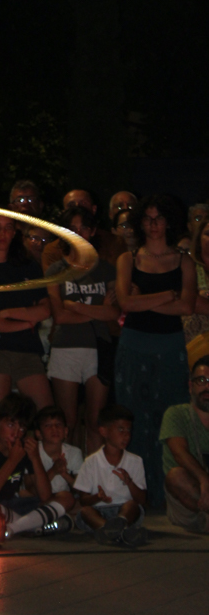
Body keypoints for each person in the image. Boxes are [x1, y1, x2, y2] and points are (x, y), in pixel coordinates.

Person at [114, 194, 196, 507]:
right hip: (134, 345)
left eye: (159, 218)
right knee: (134, 420)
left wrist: (144, 301)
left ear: (169, 221)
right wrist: (165, 296)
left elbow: (186, 306)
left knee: (170, 418)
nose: (153, 225)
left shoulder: (183, 261)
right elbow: (125, 303)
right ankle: (137, 494)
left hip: (170, 346)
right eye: (147, 219)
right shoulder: (129, 259)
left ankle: (170, 494)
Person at [46, 207, 120, 452]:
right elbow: (60, 316)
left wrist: (75, 306)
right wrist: (97, 310)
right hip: (66, 347)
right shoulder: (56, 270)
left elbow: (113, 313)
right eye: (72, 228)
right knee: (67, 420)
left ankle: (94, 472)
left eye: (84, 228)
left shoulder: (106, 269)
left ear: (93, 231)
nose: (78, 233)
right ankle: (68, 470)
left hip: (99, 348)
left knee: (96, 420)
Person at [0, 213, 53, 421]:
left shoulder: (28, 266)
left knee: (46, 416)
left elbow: (45, 310)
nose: (3, 233)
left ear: (15, 232)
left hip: (28, 349)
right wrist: (28, 321)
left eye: (8, 227)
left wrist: (7, 313)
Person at [0, 393, 73, 537]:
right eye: (10, 425)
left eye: (21, 429)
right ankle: (33, 524)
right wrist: (12, 461)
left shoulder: (23, 447)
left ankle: (15, 528)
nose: (15, 433)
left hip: (13, 505)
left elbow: (45, 496)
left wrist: (35, 457)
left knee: (66, 497)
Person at [74, 404, 147, 546]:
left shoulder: (135, 461)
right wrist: (97, 497)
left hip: (124, 511)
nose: (126, 435)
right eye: (120, 429)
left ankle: (112, 529)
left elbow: (141, 500)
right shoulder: (91, 462)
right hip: (99, 510)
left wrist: (129, 482)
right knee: (86, 511)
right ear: (104, 431)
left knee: (132, 506)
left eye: (128, 430)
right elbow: (83, 501)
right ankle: (120, 533)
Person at [161, 356, 209, 533]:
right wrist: (204, 480)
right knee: (176, 476)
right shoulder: (176, 414)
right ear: (190, 386)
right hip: (190, 502)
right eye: (201, 380)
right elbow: (179, 452)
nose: (207, 387)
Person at [42, 189, 126, 271]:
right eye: (71, 205)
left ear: (94, 209)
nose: (77, 208)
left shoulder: (114, 243)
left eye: (83, 204)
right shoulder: (52, 251)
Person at [34, 406, 83, 503]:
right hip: (37, 499)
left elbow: (82, 490)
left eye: (58, 424)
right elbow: (32, 490)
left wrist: (65, 474)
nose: (54, 428)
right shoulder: (33, 451)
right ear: (39, 434)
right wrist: (53, 470)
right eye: (48, 425)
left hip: (64, 498)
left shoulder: (74, 452)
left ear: (66, 431)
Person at [182, 216, 209, 348]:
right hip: (192, 339)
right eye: (208, 234)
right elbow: (189, 301)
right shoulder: (187, 267)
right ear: (199, 239)